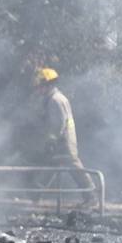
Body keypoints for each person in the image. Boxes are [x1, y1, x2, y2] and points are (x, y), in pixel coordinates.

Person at [32, 68, 95, 204]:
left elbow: (58, 123)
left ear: (47, 85)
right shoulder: (57, 98)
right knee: (52, 165)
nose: (38, 90)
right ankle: (36, 194)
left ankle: (91, 196)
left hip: (63, 142)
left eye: (40, 87)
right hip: (63, 140)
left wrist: (51, 141)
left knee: (75, 168)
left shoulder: (55, 100)